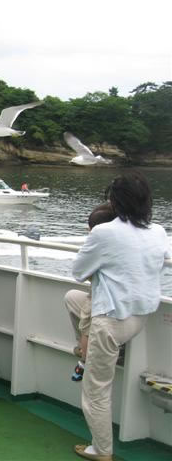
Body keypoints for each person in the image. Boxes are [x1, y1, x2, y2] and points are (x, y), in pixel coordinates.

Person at [70, 172, 171, 461]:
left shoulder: (104, 232)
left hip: (111, 321)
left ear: (114, 202)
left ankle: (101, 450)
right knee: (74, 301)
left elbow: (78, 272)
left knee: (96, 390)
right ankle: (87, 349)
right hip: (140, 317)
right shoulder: (158, 231)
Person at [63, 202, 116, 382]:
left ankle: (85, 357)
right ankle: (83, 348)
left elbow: (80, 273)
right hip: (122, 307)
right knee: (71, 298)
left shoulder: (101, 245)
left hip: (103, 303)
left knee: (87, 320)